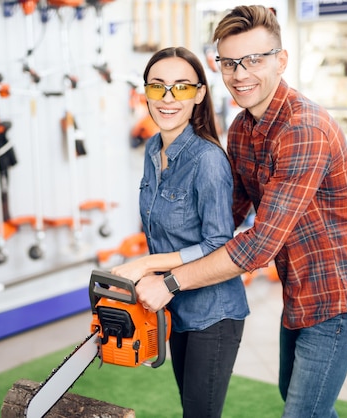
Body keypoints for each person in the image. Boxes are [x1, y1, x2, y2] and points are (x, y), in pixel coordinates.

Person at [132, 5, 347, 418]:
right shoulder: (244, 129)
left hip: (339, 293)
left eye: (254, 60)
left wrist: (171, 282)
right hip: (299, 288)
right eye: (229, 63)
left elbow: (259, 246)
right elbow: (226, 217)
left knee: (303, 412)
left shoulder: (304, 130)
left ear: (281, 60)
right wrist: (161, 258)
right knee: (302, 401)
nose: (240, 73)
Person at [110, 46, 249, 418]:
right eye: (158, 87)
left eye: (181, 88)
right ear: (146, 93)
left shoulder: (207, 160)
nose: (168, 98)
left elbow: (219, 243)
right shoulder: (153, 148)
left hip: (213, 312)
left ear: (199, 94)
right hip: (174, 307)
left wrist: (147, 264)